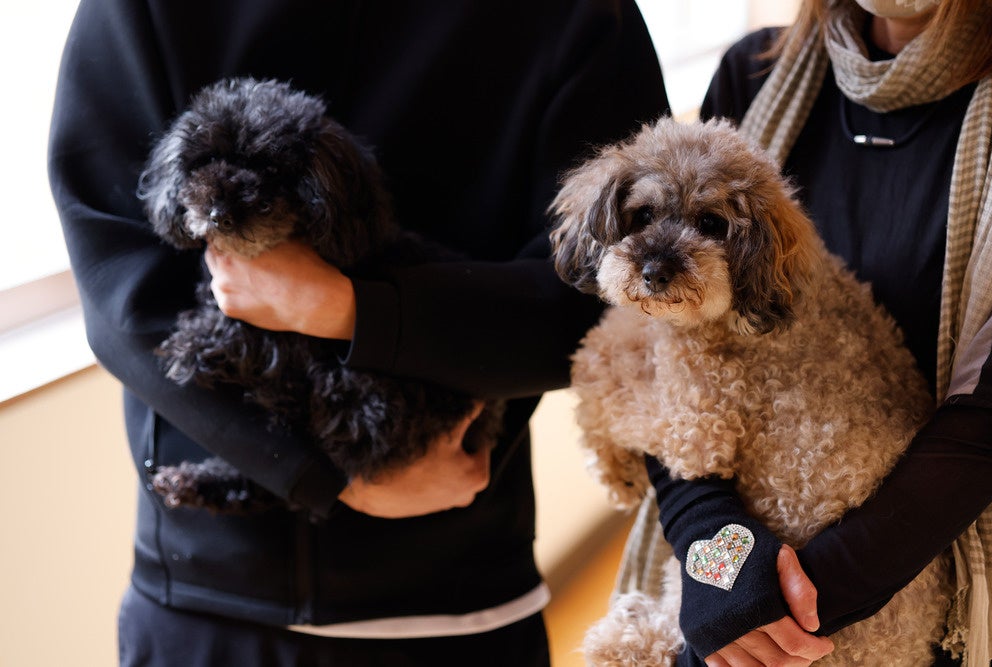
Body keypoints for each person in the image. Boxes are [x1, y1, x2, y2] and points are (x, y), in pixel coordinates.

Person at [47, 2, 668, 665]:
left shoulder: (579, 17)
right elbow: (119, 279)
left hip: (459, 587)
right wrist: (321, 476)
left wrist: (351, 308)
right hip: (211, 594)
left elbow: (612, 298)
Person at [621, 0, 992, 665]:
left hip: (909, 579)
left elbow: (990, 420)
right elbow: (663, 332)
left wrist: (798, 606)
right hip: (731, 545)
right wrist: (714, 552)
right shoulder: (757, 74)